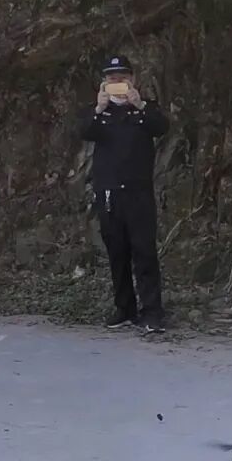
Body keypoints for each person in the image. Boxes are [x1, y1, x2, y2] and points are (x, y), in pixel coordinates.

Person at [77, 54, 170, 333]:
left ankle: (152, 311)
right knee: (117, 252)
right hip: (108, 193)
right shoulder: (99, 113)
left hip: (138, 192)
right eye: (111, 78)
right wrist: (99, 107)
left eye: (122, 78)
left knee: (144, 251)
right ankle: (124, 308)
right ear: (104, 83)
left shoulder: (143, 110)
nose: (117, 82)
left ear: (133, 79)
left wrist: (138, 104)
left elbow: (161, 127)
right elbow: (84, 131)